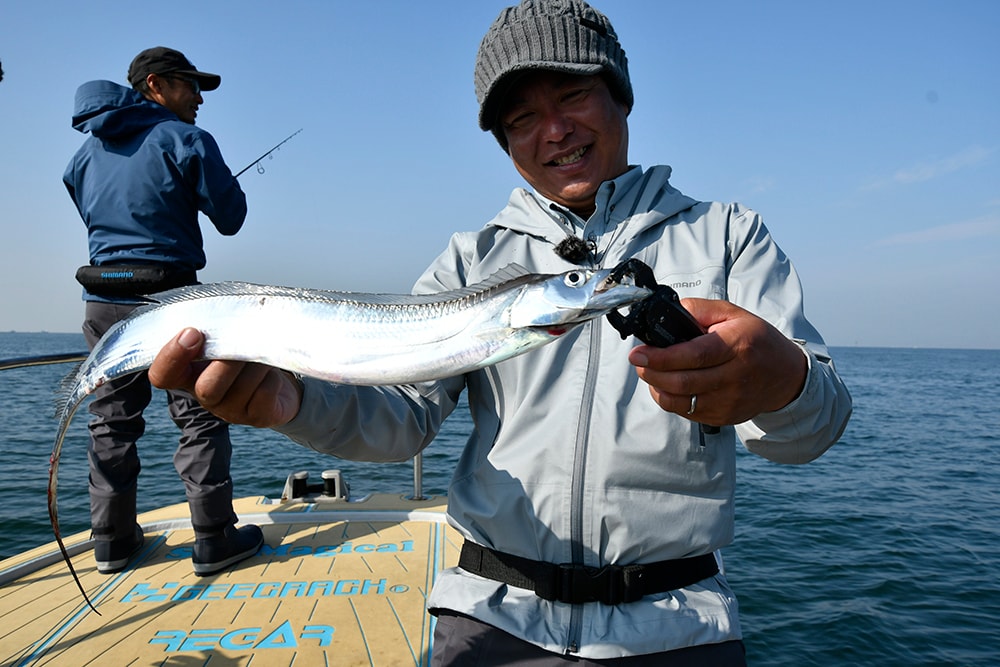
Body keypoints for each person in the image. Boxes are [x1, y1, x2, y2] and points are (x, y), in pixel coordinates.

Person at [148, 1, 852, 664]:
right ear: (503, 139)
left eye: (573, 96)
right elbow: (401, 417)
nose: (554, 130)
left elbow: (812, 429)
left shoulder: (728, 236)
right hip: (489, 615)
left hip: (677, 625)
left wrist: (783, 379)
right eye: (522, 117)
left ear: (621, 95)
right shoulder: (471, 259)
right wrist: (295, 405)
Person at [63, 46, 263, 577]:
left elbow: (88, 207)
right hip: (170, 303)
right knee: (199, 416)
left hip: (101, 303)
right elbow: (232, 217)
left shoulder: (83, 155)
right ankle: (215, 539)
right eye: (189, 85)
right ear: (155, 85)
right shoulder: (187, 139)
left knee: (110, 423)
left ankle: (112, 542)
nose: (198, 98)